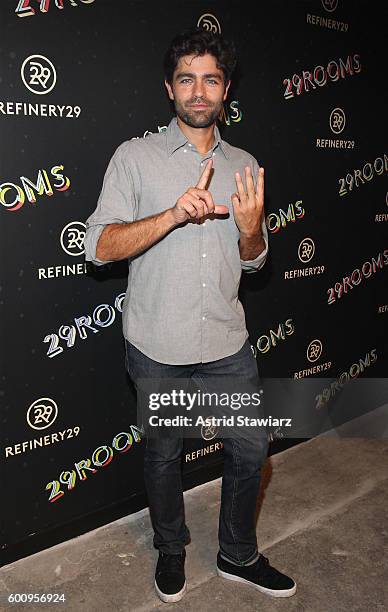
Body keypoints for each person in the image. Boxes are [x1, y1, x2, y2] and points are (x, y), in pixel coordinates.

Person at [84, 26, 296, 604]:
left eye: (211, 79)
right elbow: (98, 246)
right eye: (187, 79)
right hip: (158, 343)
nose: (198, 92)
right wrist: (172, 214)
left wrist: (252, 233)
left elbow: (254, 261)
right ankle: (171, 548)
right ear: (169, 88)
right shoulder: (135, 157)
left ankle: (237, 554)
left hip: (226, 343)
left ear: (226, 90)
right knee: (163, 454)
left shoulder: (245, 164)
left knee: (252, 448)